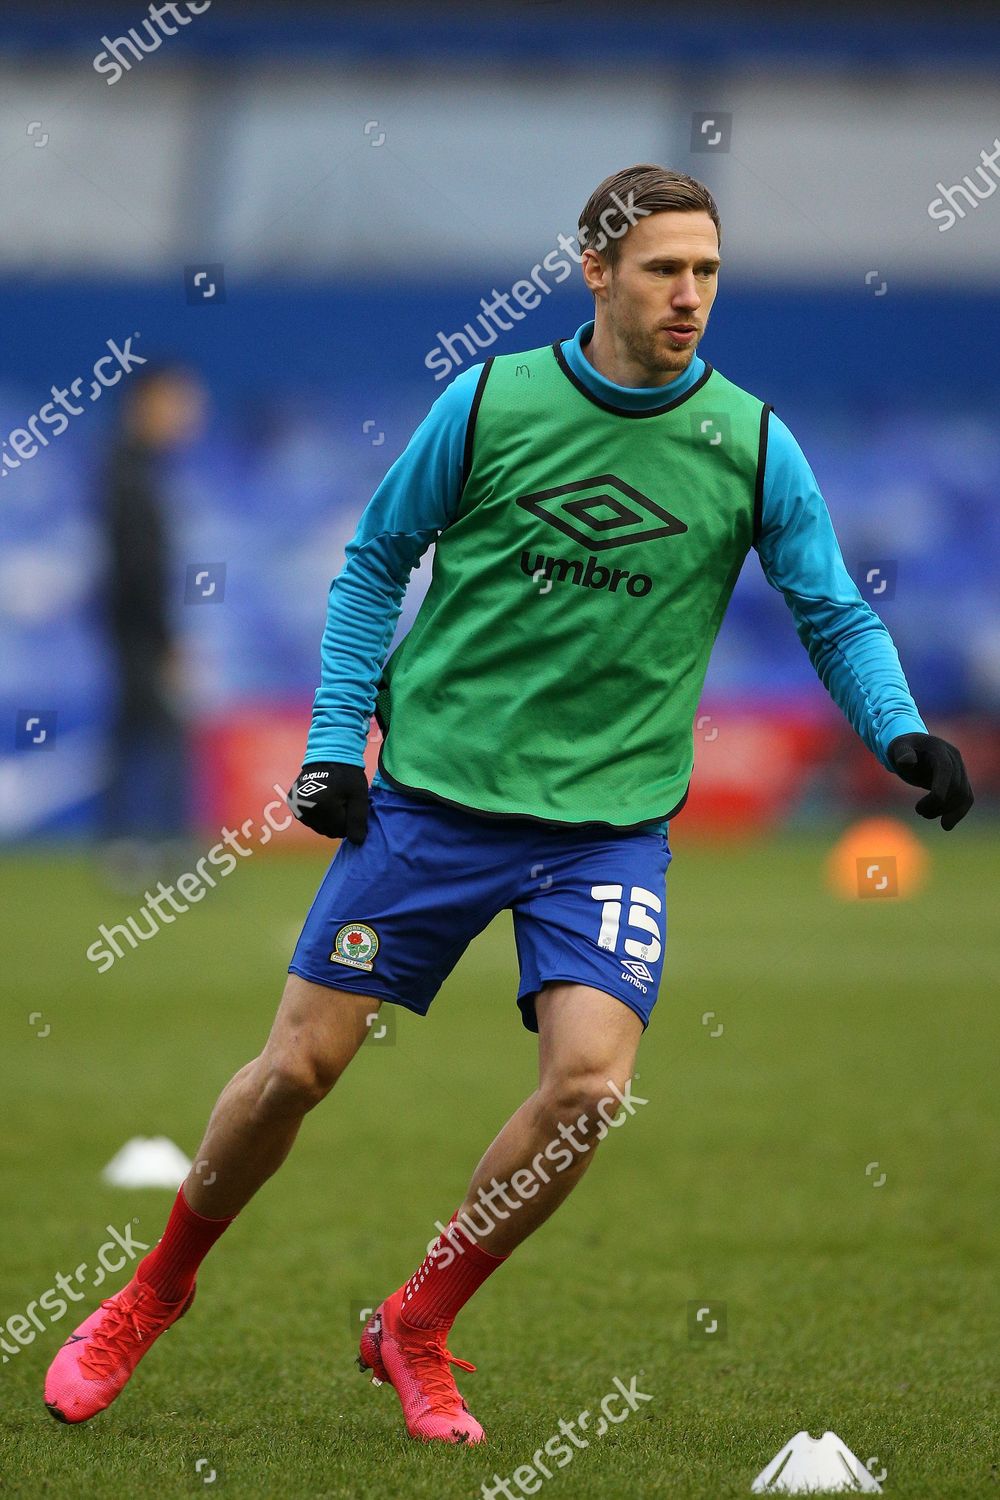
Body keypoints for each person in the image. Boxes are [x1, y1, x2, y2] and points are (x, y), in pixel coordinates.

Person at [45, 165, 973, 1442]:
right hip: (434, 807)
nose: (689, 294)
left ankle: (416, 1322)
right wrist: (335, 742)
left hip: (604, 830)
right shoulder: (487, 401)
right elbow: (375, 558)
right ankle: (155, 1290)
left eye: (706, 269)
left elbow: (828, 605)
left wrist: (898, 725)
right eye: (662, 268)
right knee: (294, 1075)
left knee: (589, 1089)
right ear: (595, 271)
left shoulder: (752, 441)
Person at [98, 363, 205, 888]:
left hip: (130, 626)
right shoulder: (128, 473)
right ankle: (163, 850)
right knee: (164, 732)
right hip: (136, 628)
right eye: (177, 401)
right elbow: (139, 568)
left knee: (134, 731)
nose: (186, 414)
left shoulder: (134, 468)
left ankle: (127, 847)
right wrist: (166, 641)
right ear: (148, 403)